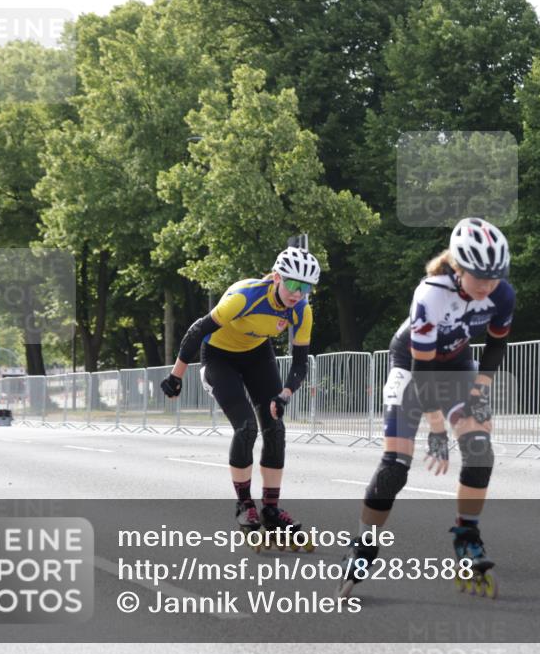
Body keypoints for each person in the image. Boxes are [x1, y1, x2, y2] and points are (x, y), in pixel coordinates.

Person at [339, 217, 514, 598]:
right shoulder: (431, 294)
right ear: (457, 268)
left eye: (495, 277)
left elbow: (497, 346)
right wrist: (436, 428)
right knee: (396, 466)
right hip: (413, 364)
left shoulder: (502, 294)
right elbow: (423, 369)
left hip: (458, 364)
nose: (487, 286)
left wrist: (480, 392)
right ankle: (364, 543)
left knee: (480, 451)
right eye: (479, 277)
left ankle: (467, 536)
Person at [159, 247, 319, 536]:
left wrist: (285, 394)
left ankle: (270, 509)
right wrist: (176, 376)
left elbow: (299, 363)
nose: (298, 293)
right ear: (276, 278)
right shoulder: (245, 297)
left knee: (275, 429)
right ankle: (245, 505)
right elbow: (197, 330)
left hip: (258, 356)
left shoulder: (301, 309)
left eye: (306, 287)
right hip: (220, 356)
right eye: (293, 284)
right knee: (246, 428)